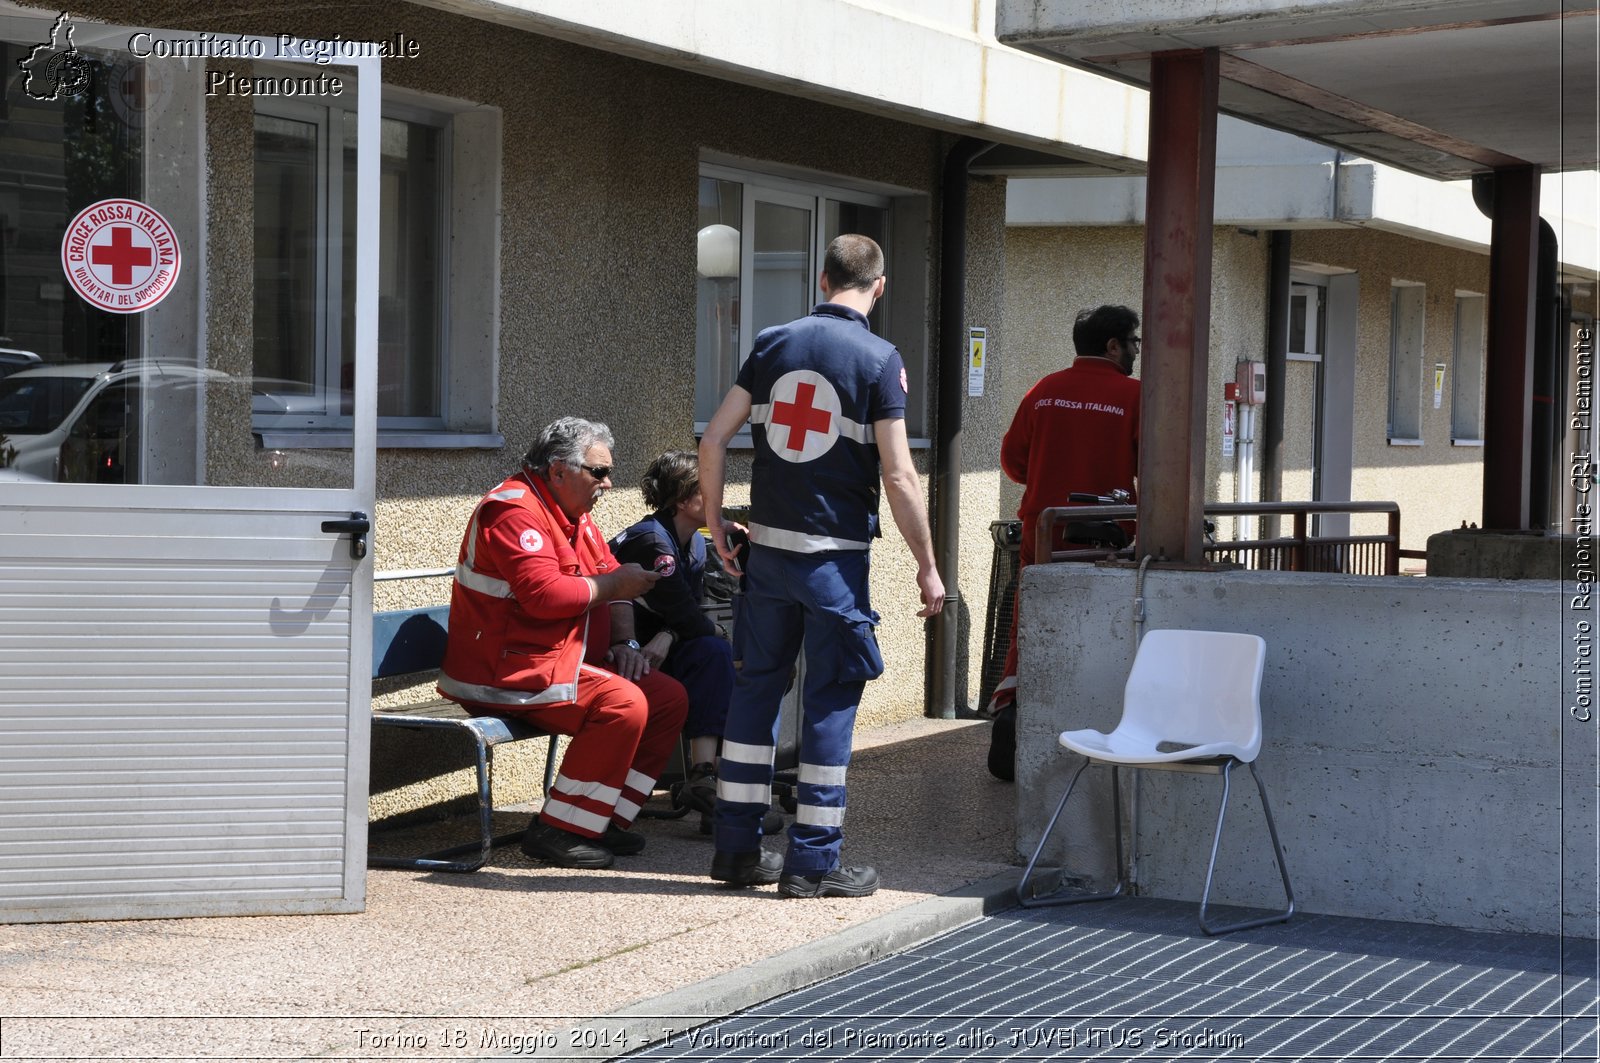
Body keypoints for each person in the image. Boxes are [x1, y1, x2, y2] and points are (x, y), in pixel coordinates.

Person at [698, 233, 945, 898]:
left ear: (822, 277)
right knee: (831, 701)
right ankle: (813, 862)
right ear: (879, 286)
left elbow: (715, 437)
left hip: (769, 558)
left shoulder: (773, 342)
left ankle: (736, 851)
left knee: (754, 698)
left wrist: (717, 521)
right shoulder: (878, 358)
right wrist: (928, 564)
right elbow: (898, 474)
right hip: (834, 565)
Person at [438, 417, 689, 869]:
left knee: (667, 698)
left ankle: (603, 820)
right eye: (598, 472)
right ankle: (560, 830)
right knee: (622, 704)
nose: (608, 484)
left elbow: (614, 579)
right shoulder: (513, 511)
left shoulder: (574, 515)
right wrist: (614, 587)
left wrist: (627, 645)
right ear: (558, 471)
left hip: (555, 664)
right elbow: (544, 597)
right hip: (503, 672)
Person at [986, 304, 1142, 781]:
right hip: (1111, 537)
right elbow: (1157, 467)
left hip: (1044, 531)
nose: (1137, 352)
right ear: (1113, 346)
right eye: (1134, 342)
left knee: (1029, 627)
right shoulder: (1135, 396)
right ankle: (1096, 733)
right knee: (1107, 630)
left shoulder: (1044, 391)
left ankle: (1013, 725)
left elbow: (1013, 462)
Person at [608, 450, 734, 814]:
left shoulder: (693, 540)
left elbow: (684, 615)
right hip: (618, 652)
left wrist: (669, 634)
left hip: (654, 649)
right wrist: (717, 634)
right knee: (722, 651)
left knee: (713, 655)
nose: (718, 496)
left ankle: (703, 775)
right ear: (682, 500)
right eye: (708, 489)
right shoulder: (653, 543)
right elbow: (690, 617)